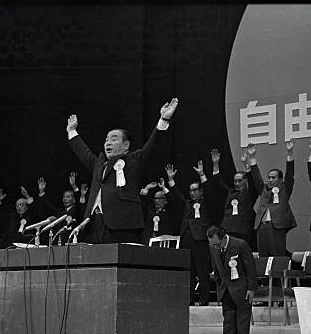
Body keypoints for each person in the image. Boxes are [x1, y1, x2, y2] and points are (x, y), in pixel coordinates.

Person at [66, 97, 179, 244]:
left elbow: (153, 146)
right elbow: (84, 153)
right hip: (94, 224)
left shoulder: (134, 160)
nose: (108, 142)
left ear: (126, 145)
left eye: (114, 139)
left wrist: (163, 119)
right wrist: (72, 131)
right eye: (106, 140)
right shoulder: (99, 164)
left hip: (122, 224)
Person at [169, 162, 214, 306]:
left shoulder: (207, 201)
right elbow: (176, 196)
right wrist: (171, 180)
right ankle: (189, 299)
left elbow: (210, 189)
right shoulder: (187, 204)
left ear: (200, 191)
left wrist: (201, 175)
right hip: (186, 239)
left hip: (200, 239)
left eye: (195, 190)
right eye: (191, 190)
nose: (192, 193)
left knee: (202, 271)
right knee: (188, 271)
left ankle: (204, 299)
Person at [207, 226, 257, 334]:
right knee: (228, 325)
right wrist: (220, 287)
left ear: (224, 238)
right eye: (212, 245)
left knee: (242, 325)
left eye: (217, 244)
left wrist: (251, 288)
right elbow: (216, 269)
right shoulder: (213, 248)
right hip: (225, 291)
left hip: (242, 290)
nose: (215, 247)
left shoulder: (240, 245)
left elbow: (250, 268)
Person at [250, 141, 297, 257]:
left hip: (276, 227)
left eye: (273, 178)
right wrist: (252, 157)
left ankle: (277, 276)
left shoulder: (284, 189)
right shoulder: (264, 190)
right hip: (262, 227)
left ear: (280, 180)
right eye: (269, 178)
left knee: (277, 256)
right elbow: (256, 178)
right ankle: (265, 276)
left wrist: (290, 153)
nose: (270, 180)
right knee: (263, 256)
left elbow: (290, 175)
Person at [209, 149, 259, 248]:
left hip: (242, 231)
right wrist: (215, 164)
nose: (237, 183)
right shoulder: (230, 192)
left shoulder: (250, 193)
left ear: (246, 181)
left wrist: (246, 165)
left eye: (240, 181)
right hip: (227, 230)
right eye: (235, 181)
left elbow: (253, 182)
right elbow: (219, 182)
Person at [139, 171, 179, 246]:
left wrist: (164, 188)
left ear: (165, 200)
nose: (156, 201)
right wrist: (147, 188)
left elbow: (173, 201)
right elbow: (143, 202)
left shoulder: (169, 210)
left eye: (159, 198)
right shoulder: (151, 210)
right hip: (149, 241)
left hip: (164, 243)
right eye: (155, 198)